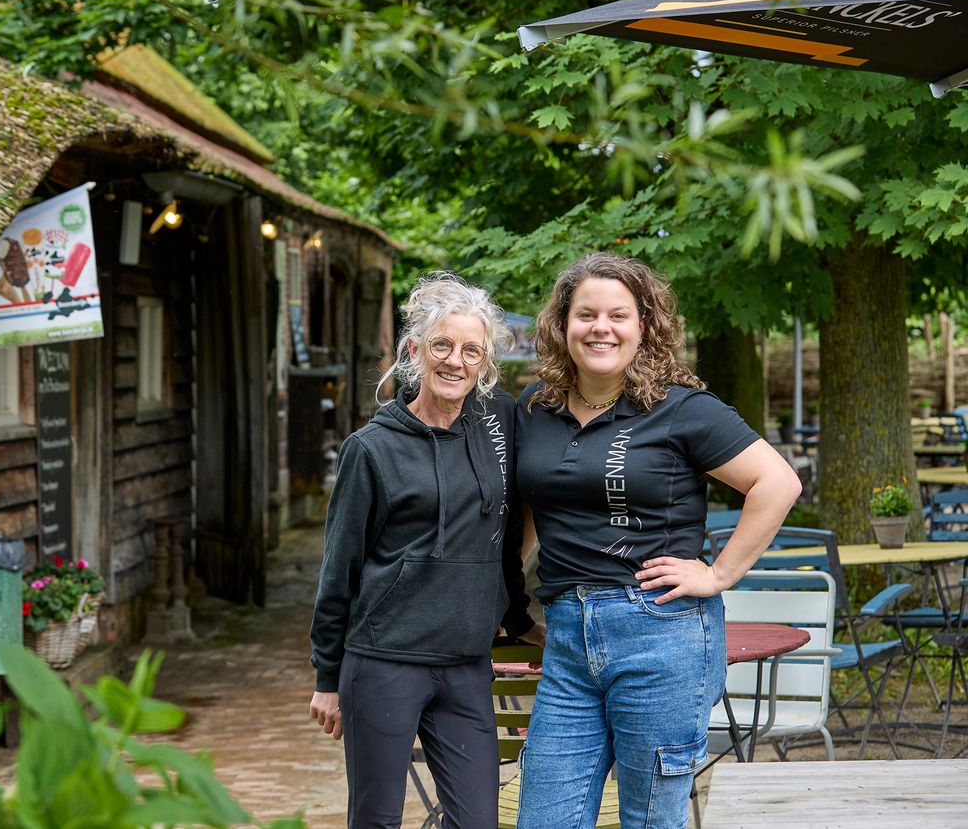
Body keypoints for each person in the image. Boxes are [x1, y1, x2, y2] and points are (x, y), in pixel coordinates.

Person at [513, 253, 802, 829]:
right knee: (544, 817)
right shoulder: (535, 406)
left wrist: (718, 574)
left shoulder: (681, 408)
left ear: (644, 324)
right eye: (585, 314)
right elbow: (532, 508)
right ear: (562, 324)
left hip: (660, 632)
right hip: (567, 635)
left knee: (649, 820)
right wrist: (505, 596)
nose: (600, 328)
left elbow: (777, 483)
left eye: (618, 315)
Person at [309, 272, 546, 829]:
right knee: (377, 820)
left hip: (465, 665)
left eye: (471, 350)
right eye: (442, 345)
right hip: (384, 660)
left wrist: (513, 614)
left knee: (477, 821)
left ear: (485, 363)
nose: (455, 361)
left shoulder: (499, 424)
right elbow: (339, 566)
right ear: (414, 350)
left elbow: (507, 530)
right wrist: (327, 677)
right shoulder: (371, 449)